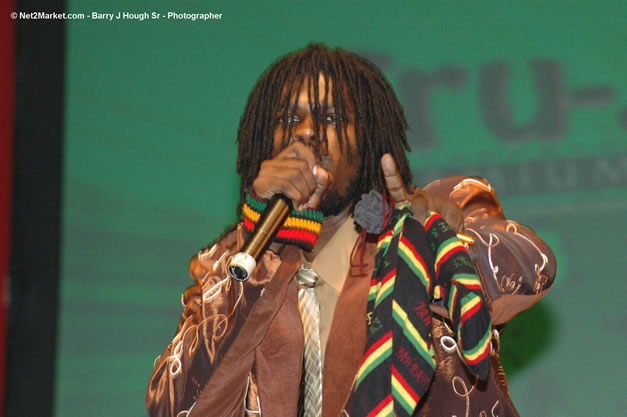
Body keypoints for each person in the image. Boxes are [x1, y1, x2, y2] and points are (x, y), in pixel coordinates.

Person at [146, 44, 556, 417]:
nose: (305, 131)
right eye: (287, 119)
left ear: (368, 141)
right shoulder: (231, 265)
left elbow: (532, 266)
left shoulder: (438, 212)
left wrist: (427, 239)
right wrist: (258, 258)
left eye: (331, 118)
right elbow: (176, 407)